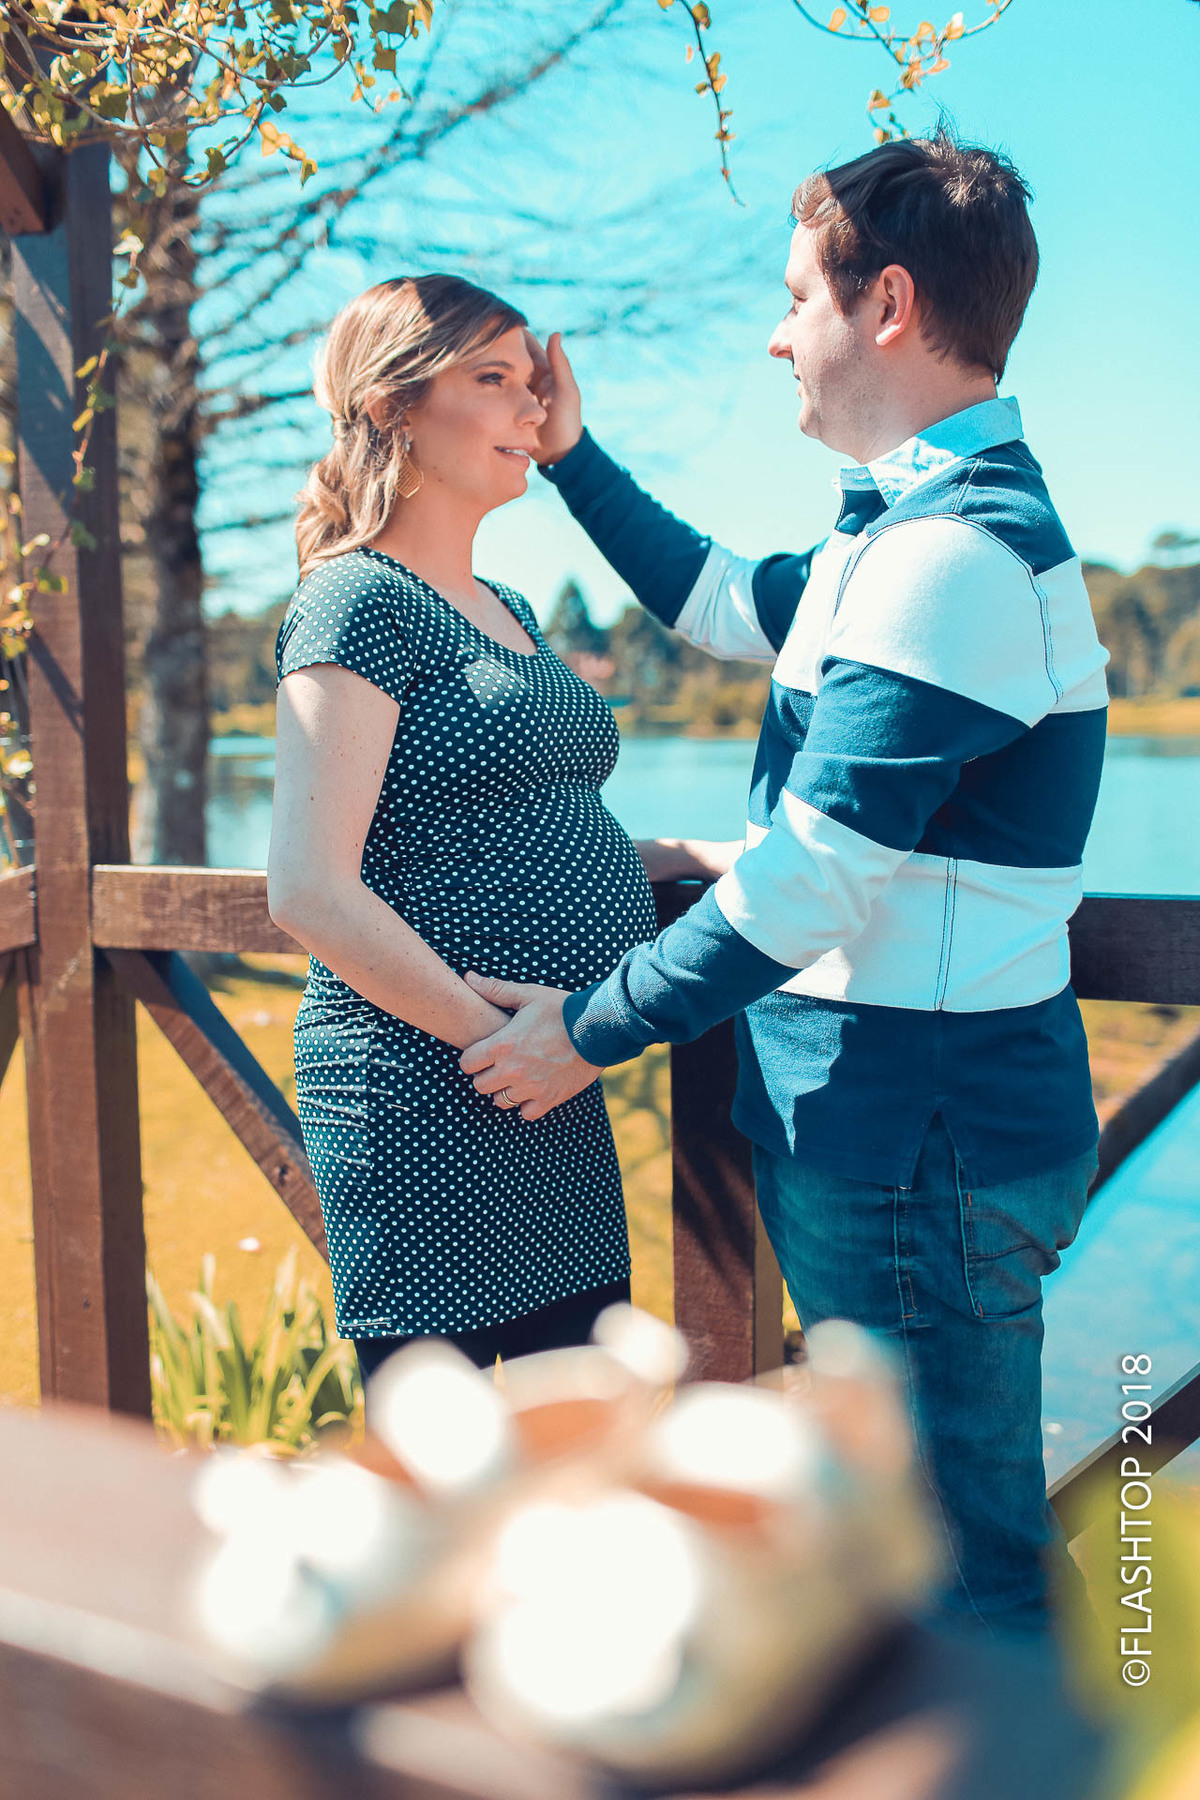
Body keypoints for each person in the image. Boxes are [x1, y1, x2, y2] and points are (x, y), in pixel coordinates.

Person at [460, 133, 1109, 1640]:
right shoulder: (891, 535)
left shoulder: (958, 555)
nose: (774, 335)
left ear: (885, 303)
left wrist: (587, 1030)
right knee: (924, 1539)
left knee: (968, 1569)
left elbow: (811, 878)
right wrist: (571, 459)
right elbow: (708, 600)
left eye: (793, 297)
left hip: (918, 1141)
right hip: (897, 1134)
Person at [267, 274, 700, 1382]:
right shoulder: (355, 600)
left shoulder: (503, 602)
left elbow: (530, 815)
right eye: (494, 382)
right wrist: (503, 1044)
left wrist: (696, 868)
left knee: (577, 1448)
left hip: (545, 1074)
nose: (529, 412)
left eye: (533, 383)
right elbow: (310, 888)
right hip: (434, 1085)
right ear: (394, 409)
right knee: (445, 1480)